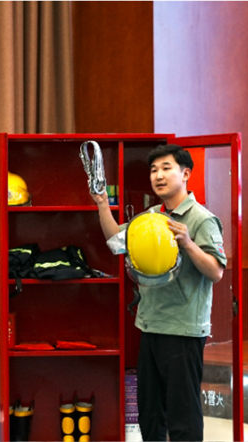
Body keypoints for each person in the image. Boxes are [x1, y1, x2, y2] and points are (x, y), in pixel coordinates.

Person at [90, 144, 227, 441]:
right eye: (154, 170)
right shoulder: (151, 215)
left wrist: (188, 243)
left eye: (166, 168)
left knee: (182, 416)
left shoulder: (201, 219)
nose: (158, 176)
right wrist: (102, 204)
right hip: (150, 325)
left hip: (183, 330)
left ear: (185, 174)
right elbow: (116, 242)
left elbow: (216, 272)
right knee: (150, 413)